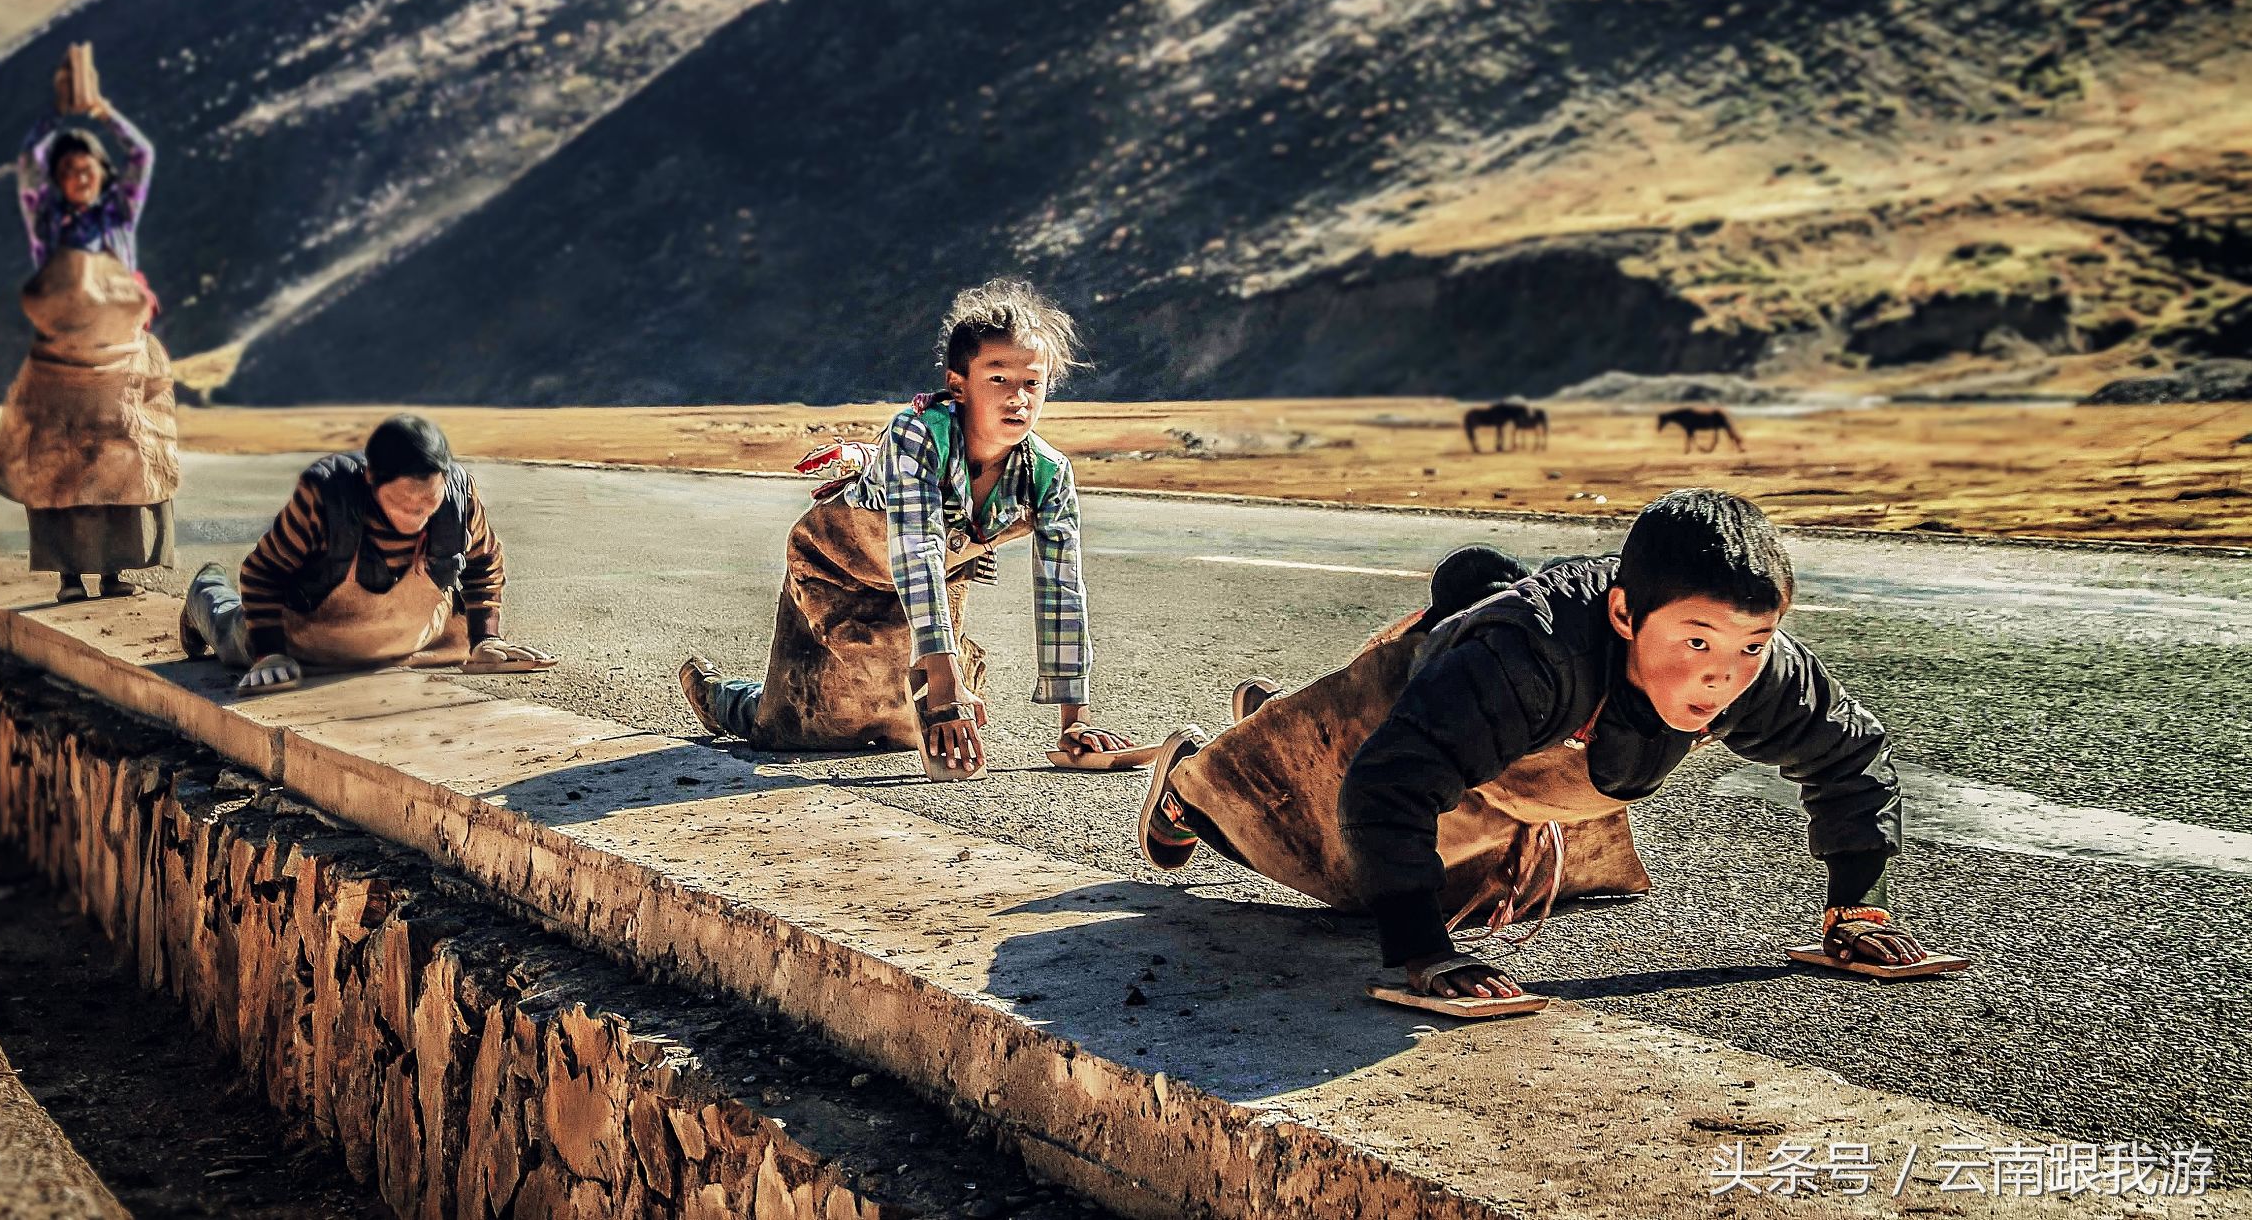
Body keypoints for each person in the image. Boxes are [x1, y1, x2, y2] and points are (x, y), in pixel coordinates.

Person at [1138, 489, 1944, 1001]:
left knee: (1455, 880)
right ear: (1625, 615)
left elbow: (1850, 755)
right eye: (1697, 645)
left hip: (1524, 747)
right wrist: (1425, 955)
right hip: (1409, 698)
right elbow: (1390, 789)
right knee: (1343, 878)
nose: (1722, 678)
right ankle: (1196, 780)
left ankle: (1275, 716)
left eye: (1752, 645)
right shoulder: (1530, 659)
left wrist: (1855, 903)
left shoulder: (1756, 667)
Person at [676, 279, 1142, 777]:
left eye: (1033, 383)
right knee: (799, 725)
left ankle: (927, 677)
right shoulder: (916, 433)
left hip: (933, 586)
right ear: (959, 385)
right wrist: (943, 677)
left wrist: (1074, 721)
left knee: (899, 732)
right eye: (999, 379)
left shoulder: (1048, 474)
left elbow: (1062, 592)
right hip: (838, 573)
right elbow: (917, 545)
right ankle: (722, 698)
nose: (1018, 399)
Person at [0, 47, 177, 603]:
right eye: (67, 171)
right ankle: (71, 577)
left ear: (101, 173)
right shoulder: (46, 220)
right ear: (58, 180)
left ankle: (118, 573)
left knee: (124, 460)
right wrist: (55, 113)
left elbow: (141, 152)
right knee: (60, 462)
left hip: (120, 357)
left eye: (86, 169)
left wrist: (100, 112)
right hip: (62, 361)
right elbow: (27, 160)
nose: (78, 178)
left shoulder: (119, 215)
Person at [179, 415, 558, 692]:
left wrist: (485, 638)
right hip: (303, 636)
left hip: (408, 639)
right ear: (372, 481)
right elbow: (264, 572)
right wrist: (270, 655)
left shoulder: (459, 497)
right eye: (401, 503)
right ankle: (205, 587)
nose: (416, 517)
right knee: (231, 633)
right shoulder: (325, 496)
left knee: (458, 637)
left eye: (428, 502)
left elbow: (485, 561)